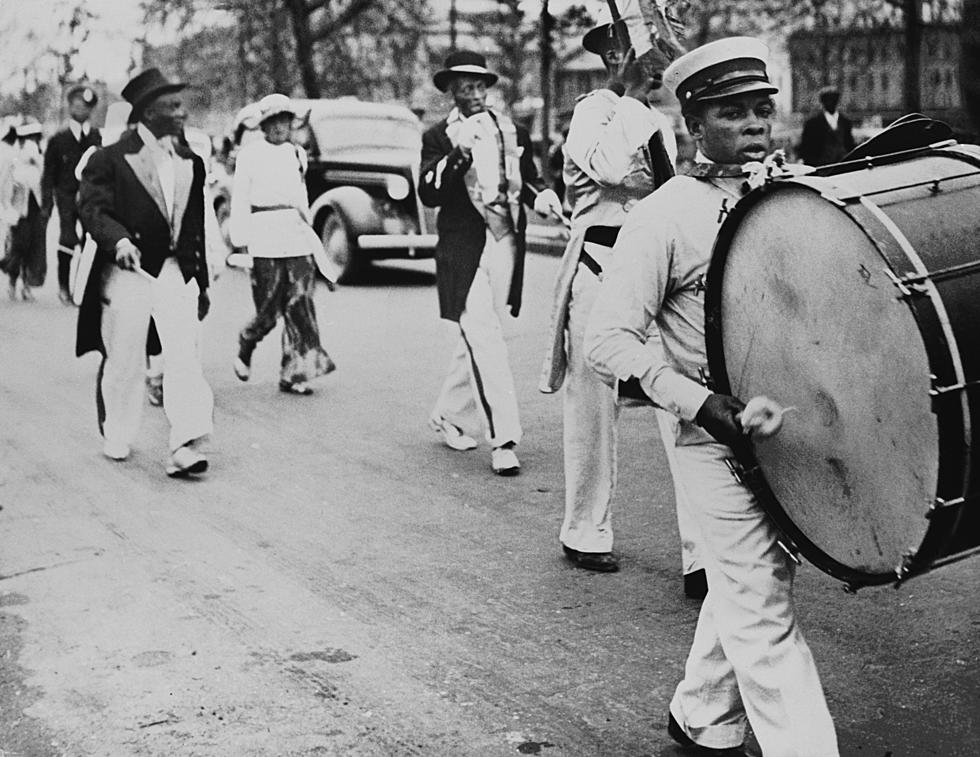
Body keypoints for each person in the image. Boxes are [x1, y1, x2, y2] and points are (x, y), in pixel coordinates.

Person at [585, 37, 839, 755]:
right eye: (733, 113)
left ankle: (701, 712)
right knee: (761, 603)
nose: (755, 124)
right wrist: (699, 403)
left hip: (784, 425)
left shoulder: (790, 195)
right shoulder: (664, 215)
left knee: (762, 570)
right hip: (709, 436)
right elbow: (609, 338)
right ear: (694, 126)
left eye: (762, 109)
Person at [538, 16, 704, 592]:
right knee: (593, 403)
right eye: (647, 54)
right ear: (617, 56)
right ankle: (586, 529)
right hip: (597, 265)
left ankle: (702, 552)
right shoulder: (591, 111)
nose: (659, 64)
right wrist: (631, 96)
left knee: (678, 398)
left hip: (650, 267)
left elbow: (664, 190)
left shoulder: (654, 116)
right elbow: (609, 169)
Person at [419, 50, 562, 476]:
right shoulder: (439, 137)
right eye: (465, 87)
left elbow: (529, 180)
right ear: (451, 92)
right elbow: (429, 192)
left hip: (503, 244)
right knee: (485, 337)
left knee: (480, 336)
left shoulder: (510, 129)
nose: (475, 93)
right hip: (462, 249)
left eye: (480, 85)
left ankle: (448, 412)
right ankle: (504, 439)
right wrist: (458, 154)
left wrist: (544, 197)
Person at [77, 68, 213, 478]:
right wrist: (118, 241)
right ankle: (117, 431)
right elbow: (93, 209)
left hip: (174, 272)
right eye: (172, 106)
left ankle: (184, 443)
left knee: (183, 356)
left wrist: (200, 281)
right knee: (125, 357)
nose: (182, 113)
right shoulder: (110, 159)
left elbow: (195, 226)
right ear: (149, 113)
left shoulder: (191, 161)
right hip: (130, 273)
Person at [229, 93, 335, 395]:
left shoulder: (297, 154)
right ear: (263, 126)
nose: (279, 127)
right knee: (270, 305)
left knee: (300, 304)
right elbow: (240, 200)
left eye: (284, 121)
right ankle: (247, 341)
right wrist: (241, 241)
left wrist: (311, 238)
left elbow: (301, 200)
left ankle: (295, 373)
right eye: (272, 121)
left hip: (296, 234)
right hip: (264, 236)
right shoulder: (249, 155)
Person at [42, 84, 102, 305]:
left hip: (89, 198)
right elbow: (48, 175)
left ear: (91, 110)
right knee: (67, 239)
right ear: (69, 108)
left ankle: (82, 286)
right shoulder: (58, 140)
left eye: (85, 106)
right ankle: (64, 287)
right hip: (66, 196)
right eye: (76, 105)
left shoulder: (96, 137)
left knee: (90, 240)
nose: (80, 110)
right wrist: (46, 204)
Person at [0, 122, 47, 301]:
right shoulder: (13, 159)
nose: (32, 141)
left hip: (36, 209)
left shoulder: (39, 158)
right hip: (19, 210)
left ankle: (27, 285)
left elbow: (44, 181)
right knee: (19, 245)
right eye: (29, 138)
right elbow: (5, 184)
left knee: (34, 248)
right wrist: (6, 207)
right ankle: (12, 281)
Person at [798, 85, 855, 166]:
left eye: (834, 100)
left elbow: (850, 145)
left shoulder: (845, 122)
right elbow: (806, 149)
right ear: (822, 102)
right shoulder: (812, 123)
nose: (831, 103)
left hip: (843, 167)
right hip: (821, 168)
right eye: (828, 100)